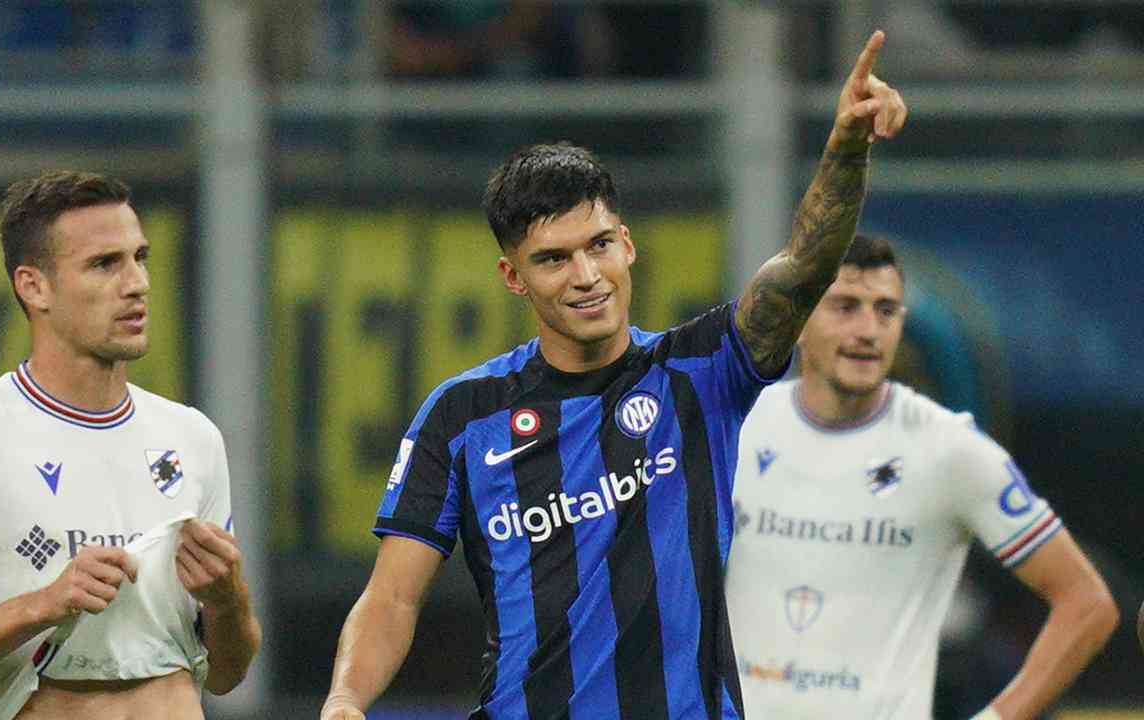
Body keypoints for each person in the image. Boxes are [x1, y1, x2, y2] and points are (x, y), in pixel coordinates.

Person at [321, 30, 907, 720]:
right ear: (513, 277)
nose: (586, 276)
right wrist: (345, 698)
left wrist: (846, 150)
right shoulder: (462, 416)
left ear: (627, 244)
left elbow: (805, 266)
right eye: (553, 259)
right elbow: (392, 596)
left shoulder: (700, 371)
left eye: (599, 245)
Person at [0, 172, 261, 719]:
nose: (137, 283)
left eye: (140, 258)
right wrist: (43, 605)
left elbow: (226, 674)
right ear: (34, 287)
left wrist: (229, 600)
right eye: (105, 264)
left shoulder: (192, 438)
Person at [724, 234, 1118, 719]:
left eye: (885, 311)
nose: (868, 330)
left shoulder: (948, 449)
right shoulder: (737, 427)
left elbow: (1087, 602)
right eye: (846, 307)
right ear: (799, 320)